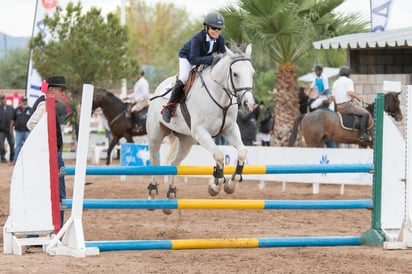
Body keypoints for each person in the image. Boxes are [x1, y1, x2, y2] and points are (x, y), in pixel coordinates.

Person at [162, 11, 226, 123]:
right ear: (206, 27)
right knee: (184, 77)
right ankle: (169, 106)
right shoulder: (198, 38)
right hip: (188, 58)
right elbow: (194, 59)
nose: (217, 31)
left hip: (204, 58)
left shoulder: (220, 39)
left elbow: (222, 57)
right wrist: (212, 59)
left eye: (219, 29)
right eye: (214, 28)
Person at [27, 76, 67, 227]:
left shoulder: (47, 103)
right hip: (51, 156)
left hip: (49, 155)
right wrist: (47, 144)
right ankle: (58, 228)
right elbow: (31, 124)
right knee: (60, 196)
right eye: (60, 90)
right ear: (50, 89)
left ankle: (46, 229)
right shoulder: (44, 103)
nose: (62, 94)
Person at [331, 66, 372, 142]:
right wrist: (357, 97)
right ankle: (363, 134)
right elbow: (349, 92)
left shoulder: (335, 82)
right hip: (347, 106)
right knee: (366, 113)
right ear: (348, 74)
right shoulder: (348, 81)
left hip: (338, 107)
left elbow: (333, 97)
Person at [12, 96, 32, 163]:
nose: (24, 102)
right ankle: (15, 160)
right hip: (18, 131)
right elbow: (13, 119)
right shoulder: (17, 109)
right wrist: (11, 128)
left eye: (25, 100)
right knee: (18, 146)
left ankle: (28, 160)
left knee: (27, 146)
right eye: (23, 100)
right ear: (21, 101)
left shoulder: (30, 109)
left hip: (27, 131)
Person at [0, 94, 15, 163]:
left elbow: (15, 117)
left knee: (12, 144)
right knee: (1, 145)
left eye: (4, 99)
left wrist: (13, 126)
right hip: (1, 130)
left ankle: (12, 158)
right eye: (2, 99)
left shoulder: (11, 108)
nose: (4, 100)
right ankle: (3, 157)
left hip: (10, 130)